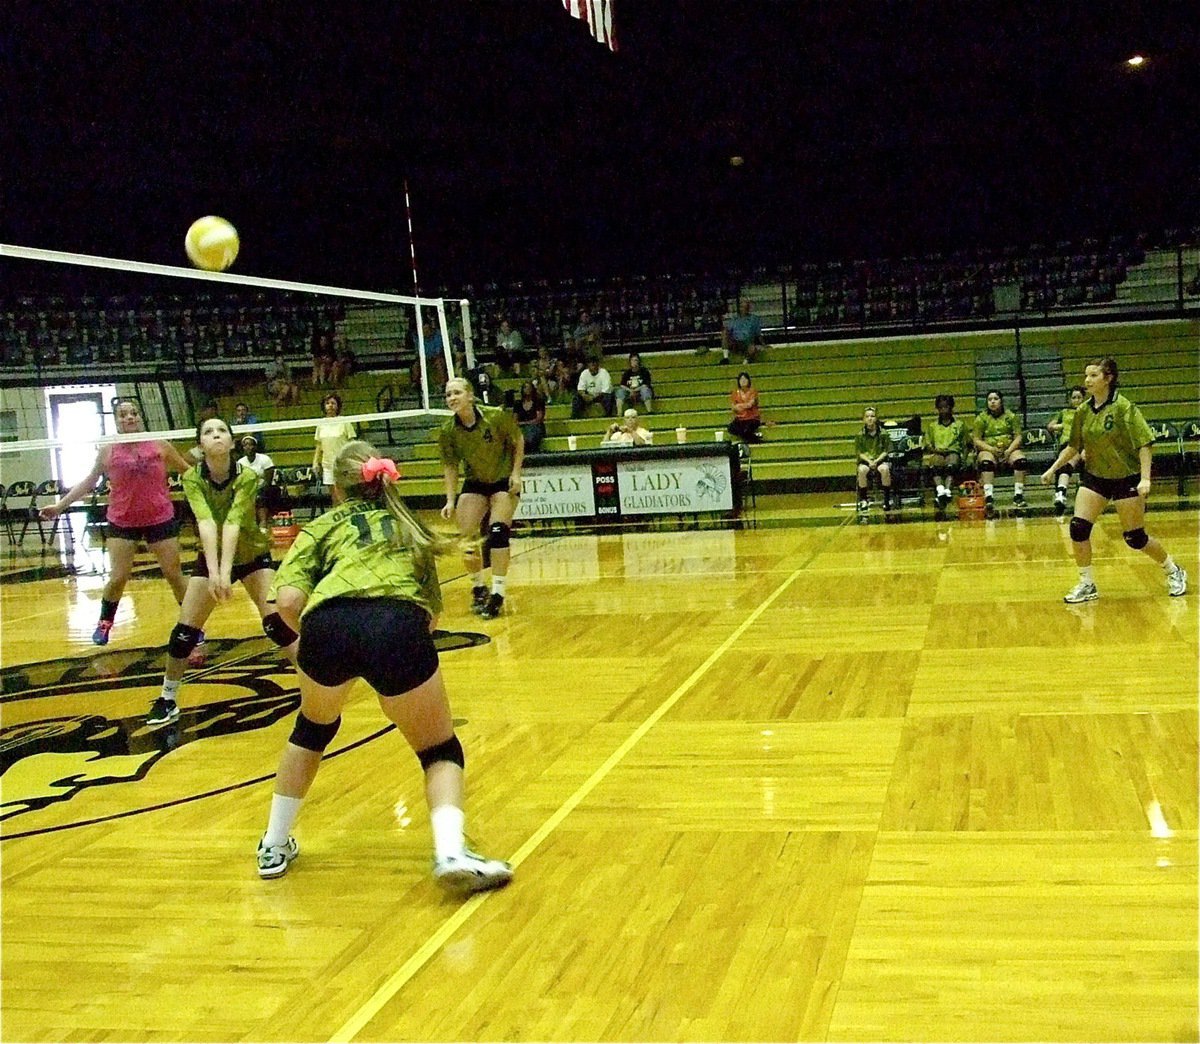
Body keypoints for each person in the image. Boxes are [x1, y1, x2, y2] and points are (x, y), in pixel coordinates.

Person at [256, 441, 513, 891]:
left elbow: (288, 602)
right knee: (438, 750)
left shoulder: (318, 528)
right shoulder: (409, 527)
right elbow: (431, 616)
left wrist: (317, 640)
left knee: (311, 730)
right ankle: (451, 852)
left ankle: (273, 846)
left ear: (336, 487)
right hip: (395, 625)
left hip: (325, 625)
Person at [146, 416, 299, 726]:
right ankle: (167, 697)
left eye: (221, 431)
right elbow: (205, 522)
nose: (215, 435)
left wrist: (224, 572)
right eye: (208, 432)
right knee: (183, 634)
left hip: (252, 553)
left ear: (232, 442)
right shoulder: (192, 478)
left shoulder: (247, 476)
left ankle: (316, 681)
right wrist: (215, 573)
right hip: (211, 554)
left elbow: (232, 522)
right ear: (200, 445)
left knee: (276, 625)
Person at [39, 398, 191, 646]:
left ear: (140, 417)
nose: (129, 418)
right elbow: (89, 481)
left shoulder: (160, 445)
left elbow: (189, 472)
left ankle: (190, 625)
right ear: (116, 420)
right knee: (118, 577)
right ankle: (104, 623)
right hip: (122, 521)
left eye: (133, 413)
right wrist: (59, 506)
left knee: (174, 574)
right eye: (123, 415)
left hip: (160, 517)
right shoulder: (108, 450)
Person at [1040, 357, 1187, 603]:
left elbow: (1144, 443)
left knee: (1135, 538)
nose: (1087, 380)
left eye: (1094, 375)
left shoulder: (1124, 407)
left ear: (1108, 379)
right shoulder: (1083, 411)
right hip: (1096, 477)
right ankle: (1087, 583)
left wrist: (1145, 478)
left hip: (1125, 477)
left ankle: (1174, 570)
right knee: (1078, 528)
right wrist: (1053, 469)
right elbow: (1074, 445)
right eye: (1086, 375)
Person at [438, 377, 524, 619]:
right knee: (467, 540)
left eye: (456, 393)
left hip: (501, 481)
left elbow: (518, 441)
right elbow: (451, 466)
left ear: (470, 396)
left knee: (498, 533)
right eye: (448, 395)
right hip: (475, 483)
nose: (452, 398)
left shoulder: (495, 416)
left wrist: (516, 473)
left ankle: (497, 593)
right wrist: (450, 500)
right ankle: (478, 586)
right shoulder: (448, 431)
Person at [972, 389, 1028, 517]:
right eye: (990, 400)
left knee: (1021, 461)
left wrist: (1009, 451)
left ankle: (1018, 495)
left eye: (995, 399)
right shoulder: (981, 418)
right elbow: (976, 439)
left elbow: (1018, 436)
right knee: (986, 462)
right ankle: (989, 497)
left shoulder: (1011, 416)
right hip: (989, 449)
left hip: (1009, 448)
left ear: (1001, 401)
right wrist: (991, 449)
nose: (992, 402)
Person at [1045, 385, 1086, 517]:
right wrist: (1058, 426)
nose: (1076, 400)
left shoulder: (1087, 411)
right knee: (1067, 459)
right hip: (1067, 442)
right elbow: (1050, 426)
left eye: (1079, 397)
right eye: (1074, 397)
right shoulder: (1064, 412)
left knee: (1073, 458)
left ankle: (1061, 492)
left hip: (1083, 443)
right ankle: (1061, 494)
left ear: (1083, 398)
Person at [924, 394, 968, 517]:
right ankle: (940, 491)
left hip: (953, 452)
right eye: (941, 407)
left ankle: (947, 491)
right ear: (937, 409)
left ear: (951, 408)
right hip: (938, 452)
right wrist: (935, 449)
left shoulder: (959, 425)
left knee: (951, 463)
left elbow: (965, 444)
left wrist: (963, 459)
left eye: (946, 407)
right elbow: (928, 444)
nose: (944, 410)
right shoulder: (932, 426)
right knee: (935, 463)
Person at [312, 394, 357, 493]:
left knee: (344, 492)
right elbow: (319, 445)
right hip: (327, 464)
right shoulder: (320, 424)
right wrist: (315, 462)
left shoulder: (345, 422)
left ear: (338, 406)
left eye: (333, 403)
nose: (330, 405)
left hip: (342, 464)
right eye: (327, 403)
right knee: (333, 494)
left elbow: (352, 444)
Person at [855, 406, 894, 512]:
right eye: (867, 416)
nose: (870, 418)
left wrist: (876, 461)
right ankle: (863, 499)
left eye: (872, 416)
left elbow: (886, 451)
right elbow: (860, 453)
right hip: (866, 461)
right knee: (862, 470)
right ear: (863, 419)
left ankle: (886, 499)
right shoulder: (860, 435)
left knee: (884, 469)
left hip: (880, 460)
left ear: (876, 418)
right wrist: (869, 461)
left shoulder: (884, 433)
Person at [236, 434, 279, 526]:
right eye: (245, 445)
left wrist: (256, 489)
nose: (248, 447)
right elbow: (239, 480)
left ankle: (263, 522)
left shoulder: (265, 459)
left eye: (250, 444)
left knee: (261, 495)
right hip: (248, 488)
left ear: (255, 446)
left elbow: (268, 480)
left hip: (265, 487)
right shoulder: (240, 462)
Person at [719, 300, 763, 365]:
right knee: (725, 332)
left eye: (745, 307)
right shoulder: (734, 319)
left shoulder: (754, 319)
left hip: (747, 343)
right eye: (741, 307)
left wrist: (763, 344)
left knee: (753, 349)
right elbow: (728, 330)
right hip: (735, 342)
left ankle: (745, 363)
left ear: (748, 309)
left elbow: (758, 334)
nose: (743, 309)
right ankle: (726, 358)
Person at [728, 371, 763, 442]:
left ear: (748, 381)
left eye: (745, 379)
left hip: (752, 418)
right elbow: (733, 407)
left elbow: (750, 404)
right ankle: (755, 437)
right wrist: (742, 406)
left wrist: (739, 405)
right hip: (740, 418)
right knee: (731, 428)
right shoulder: (735, 393)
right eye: (741, 379)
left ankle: (755, 440)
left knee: (746, 430)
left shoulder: (753, 391)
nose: (743, 381)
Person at [514, 381, 546, 453]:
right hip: (522, 427)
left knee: (532, 432)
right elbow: (514, 420)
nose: (527, 389)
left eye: (529, 387)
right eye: (525, 387)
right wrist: (523, 424)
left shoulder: (538, 402)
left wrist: (525, 423)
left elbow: (538, 419)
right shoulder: (518, 404)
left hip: (535, 426)